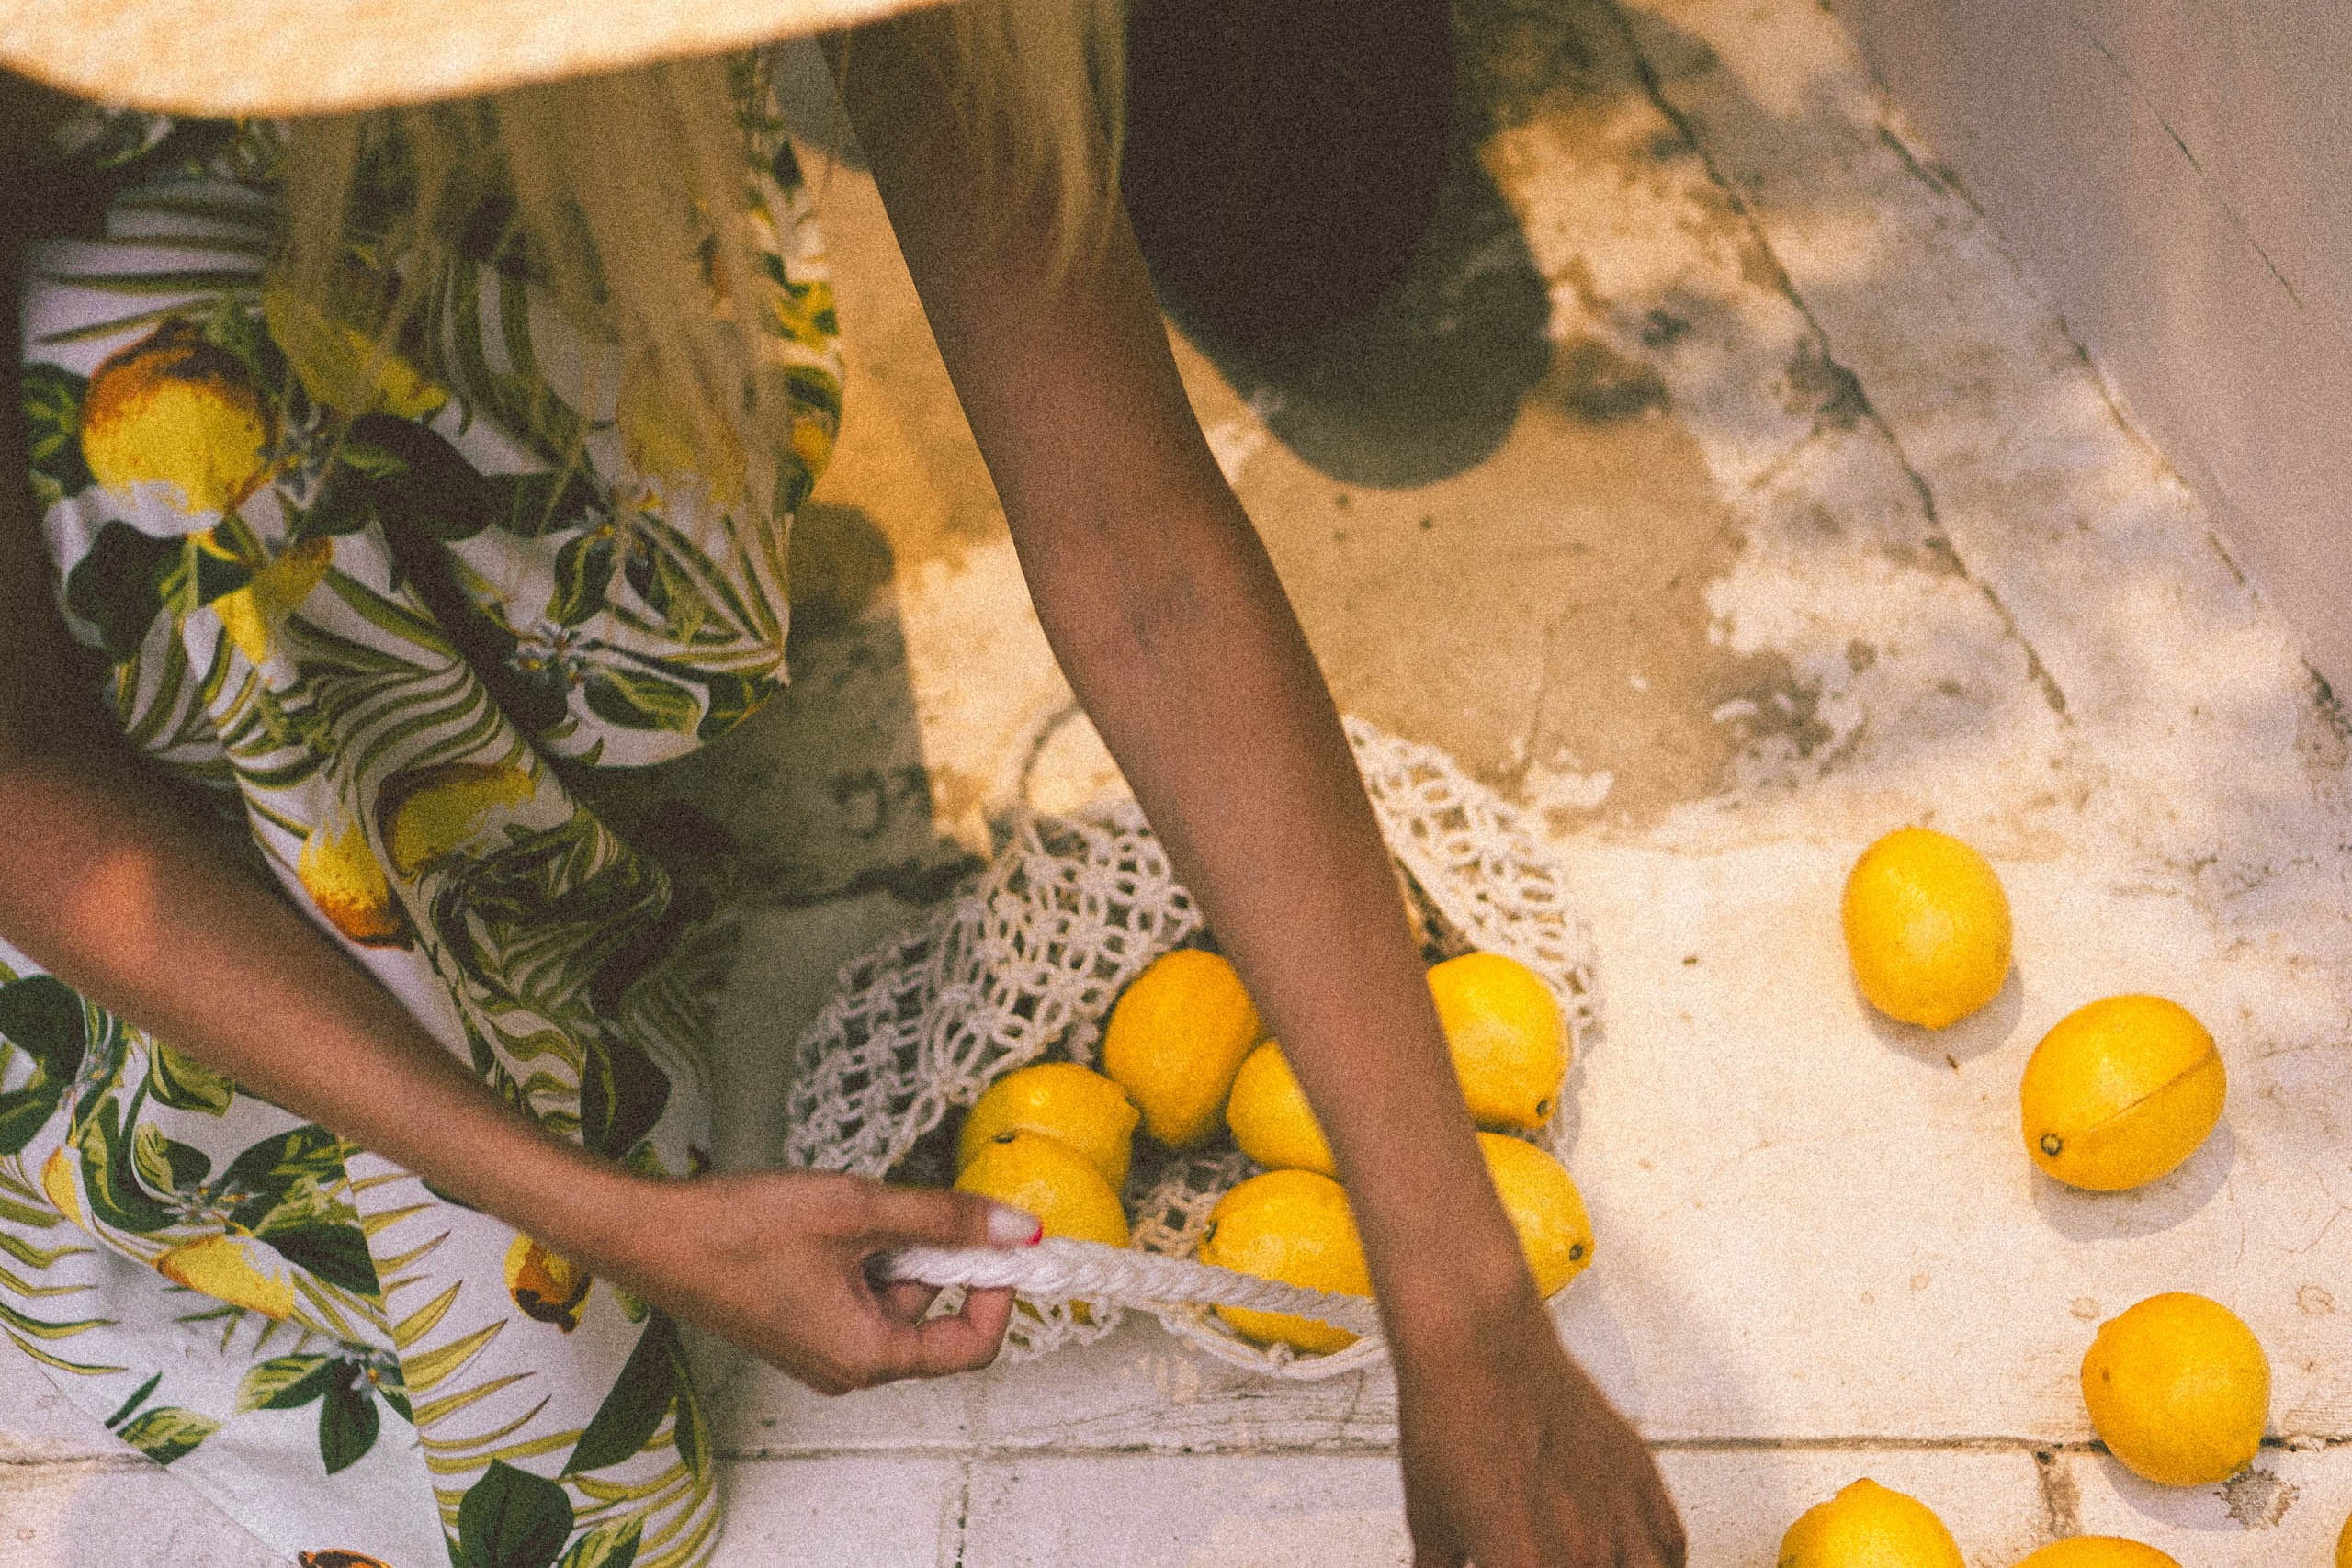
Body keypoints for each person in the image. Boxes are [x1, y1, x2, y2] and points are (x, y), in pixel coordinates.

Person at [0, 3, 1687, 1564]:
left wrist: (1463, 1305)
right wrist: (606, 1216)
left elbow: (1138, 553)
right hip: (105, 521)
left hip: (489, 243)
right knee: (152, 401)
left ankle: (446, 731)